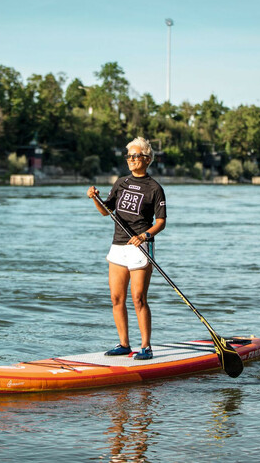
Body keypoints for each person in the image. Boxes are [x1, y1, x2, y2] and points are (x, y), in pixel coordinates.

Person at [87, 137, 166, 360]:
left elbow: (160, 222)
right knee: (116, 298)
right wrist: (95, 198)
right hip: (118, 246)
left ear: (147, 159)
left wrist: (144, 235)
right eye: (128, 156)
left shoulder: (155, 188)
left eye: (135, 155)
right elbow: (106, 211)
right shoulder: (120, 183)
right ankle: (124, 344)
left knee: (139, 298)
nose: (131, 159)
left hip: (140, 247)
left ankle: (146, 346)